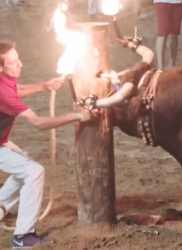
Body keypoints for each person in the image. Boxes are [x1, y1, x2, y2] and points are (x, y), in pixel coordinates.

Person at [0, 40, 94, 249]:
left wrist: (44, 85)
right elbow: (39, 123)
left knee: (23, 166)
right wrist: (76, 116)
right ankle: (23, 237)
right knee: (34, 172)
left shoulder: (5, 80)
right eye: (14, 62)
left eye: (18, 59)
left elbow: (17, 88)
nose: (20, 64)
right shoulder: (3, 93)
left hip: (1, 141)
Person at [85, 40, 154, 109]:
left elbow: (119, 97)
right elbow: (148, 53)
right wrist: (128, 43)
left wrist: (93, 104)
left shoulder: (130, 81)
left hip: (128, 83)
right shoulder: (134, 72)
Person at [154, 0, 182, 69]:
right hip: (162, 2)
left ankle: (172, 66)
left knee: (174, 33)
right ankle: (160, 68)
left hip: (178, 2)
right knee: (162, 33)